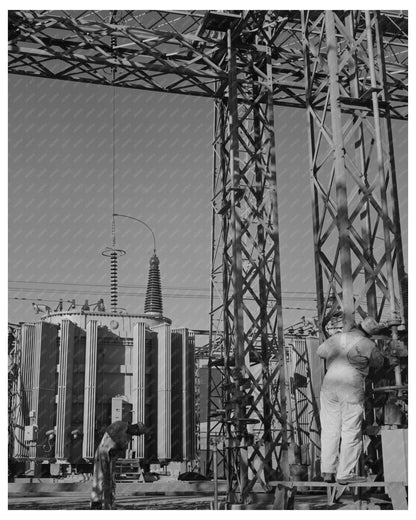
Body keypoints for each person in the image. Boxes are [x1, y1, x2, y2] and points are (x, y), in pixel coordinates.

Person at [317, 317, 384, 484]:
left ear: (357, 326)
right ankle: (344, 474)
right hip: (350, 385)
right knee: (350, 429)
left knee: (330, 429)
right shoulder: (368, 344)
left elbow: (320, 352)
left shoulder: (337, 337)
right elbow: (379, 363)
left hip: (329, 383)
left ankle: (327, 471)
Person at [90, 421, 148, 509]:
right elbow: (113, 438)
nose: (136, 435)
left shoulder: (128, 437)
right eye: (137, 433)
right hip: (103, 453)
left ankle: (108, 505)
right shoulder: (120, 425)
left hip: (112, 457)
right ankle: (96, 505)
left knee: (110, 482)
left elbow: (120, 449)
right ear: (135, 428)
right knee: (99, 478)